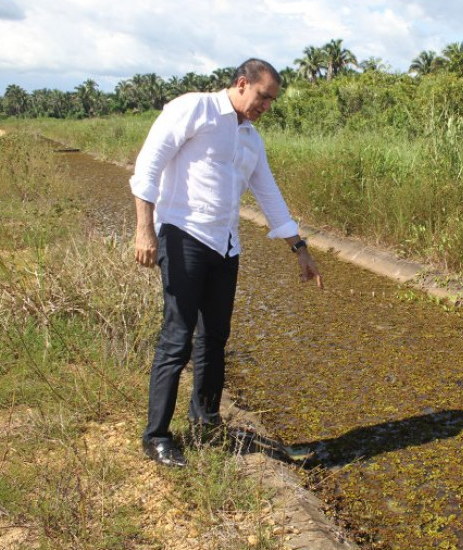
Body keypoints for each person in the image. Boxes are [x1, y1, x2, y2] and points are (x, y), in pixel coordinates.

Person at [130, 58, 323, 467]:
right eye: (262, 97)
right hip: (183, 236)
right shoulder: (194, 109)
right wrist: (143, 230)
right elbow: (148, 165)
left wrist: (299, 249)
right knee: (177, 336)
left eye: (271, 101)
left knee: (215, 337)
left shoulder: (251, 139)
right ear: (241, 84)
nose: (265, 107)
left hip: (226, 245)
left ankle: (206, 420)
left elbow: (269, 195)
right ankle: (157, 436)